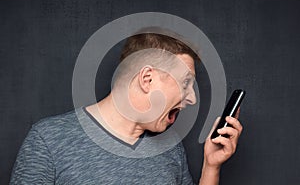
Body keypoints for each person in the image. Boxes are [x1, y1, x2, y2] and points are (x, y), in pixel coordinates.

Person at [10, 33, 243, 184]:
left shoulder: (170, 149)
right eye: (185, 83)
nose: (191, 98)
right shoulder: (49, 140)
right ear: (147, 79)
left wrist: (211, 167)